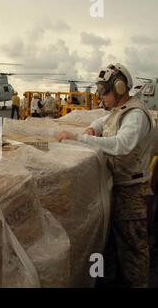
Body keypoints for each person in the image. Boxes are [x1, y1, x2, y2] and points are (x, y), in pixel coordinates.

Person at [56, 63, 156, 288]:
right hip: (119, 187)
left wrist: (80, 138)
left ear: (120, 89)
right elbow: (102, 122)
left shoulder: (136, 114)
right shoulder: (119, 112)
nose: (101, 96)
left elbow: (122, 145)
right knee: (115, 245)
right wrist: (92, 128)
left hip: (132, 191)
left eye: (105, 91)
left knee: (133, 251)